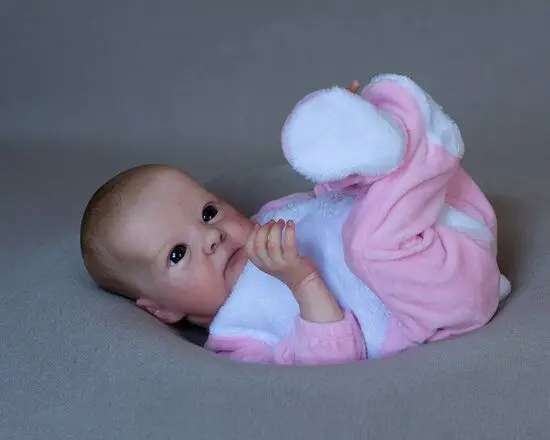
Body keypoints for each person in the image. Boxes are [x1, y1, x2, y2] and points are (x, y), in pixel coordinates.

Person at [80, 74, 510, 365]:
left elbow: (329, 206)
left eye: (208, 213)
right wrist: (302, 282)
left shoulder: (272, 217)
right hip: (435, 304)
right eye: (177, 253)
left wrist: (342, 153)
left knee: (353, 188)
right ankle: (421, 133)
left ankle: (374, 127)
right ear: (161, 310)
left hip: (447, 226)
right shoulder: (238, 335)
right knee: (369, 246)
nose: (211, 237)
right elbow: (328, 359)